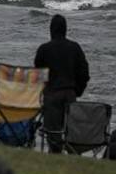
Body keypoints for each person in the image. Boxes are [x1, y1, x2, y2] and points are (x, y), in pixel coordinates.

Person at [34, 14, 90, 153]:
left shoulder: (44, 49)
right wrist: (77, 90)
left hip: (52, 95)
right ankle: (72, 156)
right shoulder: (75, 48)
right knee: (70, 132)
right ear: (65, 29)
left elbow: (37, 76)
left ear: (51, 30)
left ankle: (55, 157)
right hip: (70, 94)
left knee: (53, 135)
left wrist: (42, 92)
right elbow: (84, 73)